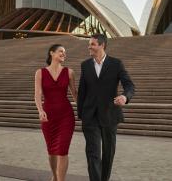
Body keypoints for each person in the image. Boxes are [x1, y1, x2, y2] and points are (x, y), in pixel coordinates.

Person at [77, 33, 135, 181]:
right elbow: (82, 90)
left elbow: (129, 84)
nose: (89, 46)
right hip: (90, 117)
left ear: (102, 45)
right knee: (93, 153)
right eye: (89, 44)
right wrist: (81, 114)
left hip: (110, 115)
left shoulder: (116, 64)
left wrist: (125, 96)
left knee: (108, 153)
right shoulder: (85, 65)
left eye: (92, 44)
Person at [34, 44, 77, 181]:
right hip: (48, 117)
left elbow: (75, 94)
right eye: (60, 51)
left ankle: (60, 180)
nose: (64, 54)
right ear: (51, 53)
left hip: (66, 116)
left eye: (65, 52)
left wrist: (85, 108)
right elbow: (37, 95)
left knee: (63, 150)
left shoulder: (69, 72)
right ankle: (55, 176)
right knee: (52, 151)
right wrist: (40, 110)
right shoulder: (40, 72)